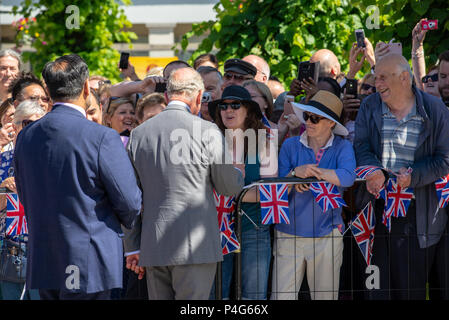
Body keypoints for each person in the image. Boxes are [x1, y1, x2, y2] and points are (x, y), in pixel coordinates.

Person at [13, 54, 142, 300]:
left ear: (49, 91)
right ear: (85, 87)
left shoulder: (27, 136)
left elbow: (25, 194)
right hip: (90, 260)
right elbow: (130, 203)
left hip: (46, 257)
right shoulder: (101, 137)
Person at [123, 67, 244, 300]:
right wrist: (238, 174)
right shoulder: (208, 131)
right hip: (196, 247)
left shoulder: (139, 135)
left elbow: (129, 198)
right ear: (198, 96)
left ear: (167, 96)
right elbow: (228, 187)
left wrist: (133, 245)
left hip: (154, 245)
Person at [354, 54, 449, 299]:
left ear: (405, 78)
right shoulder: (369, 105)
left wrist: (413, 176)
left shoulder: (435, 109)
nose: (378, 84)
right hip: (376, 211)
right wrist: (373, 170)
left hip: (417, 217)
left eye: (384, 77)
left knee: (409, 291)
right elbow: (361, 146)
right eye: (376, 78)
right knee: (375, 291)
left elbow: (444, 160)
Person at [271, 90, 355, 300]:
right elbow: (278, 184)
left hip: (327, 234)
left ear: (331, 123)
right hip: (288, 233)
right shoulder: (290, 145)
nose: (308, 121)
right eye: (308, 116)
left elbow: (348, 177)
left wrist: (312, 175)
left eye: (315, 118)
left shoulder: (343, 146)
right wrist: (294, 175)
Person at [207, 85, 278, 300]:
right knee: (216, 296)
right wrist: (240, 190)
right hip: (216, 228)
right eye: (223, 106)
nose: (228, 110)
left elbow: (268, 193)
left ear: (248, 110)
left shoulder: (265, 143)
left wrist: (225, 190)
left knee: (253, 298)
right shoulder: (211, 142)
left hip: (254, 228)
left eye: (235, 105)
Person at [0, 100, 45, 300]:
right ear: (15, 126)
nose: (32, 130)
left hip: (42, 248)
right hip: (8, 249)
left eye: (39, 124)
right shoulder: (3, 159)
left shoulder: (52, 159)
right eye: (27, 124)